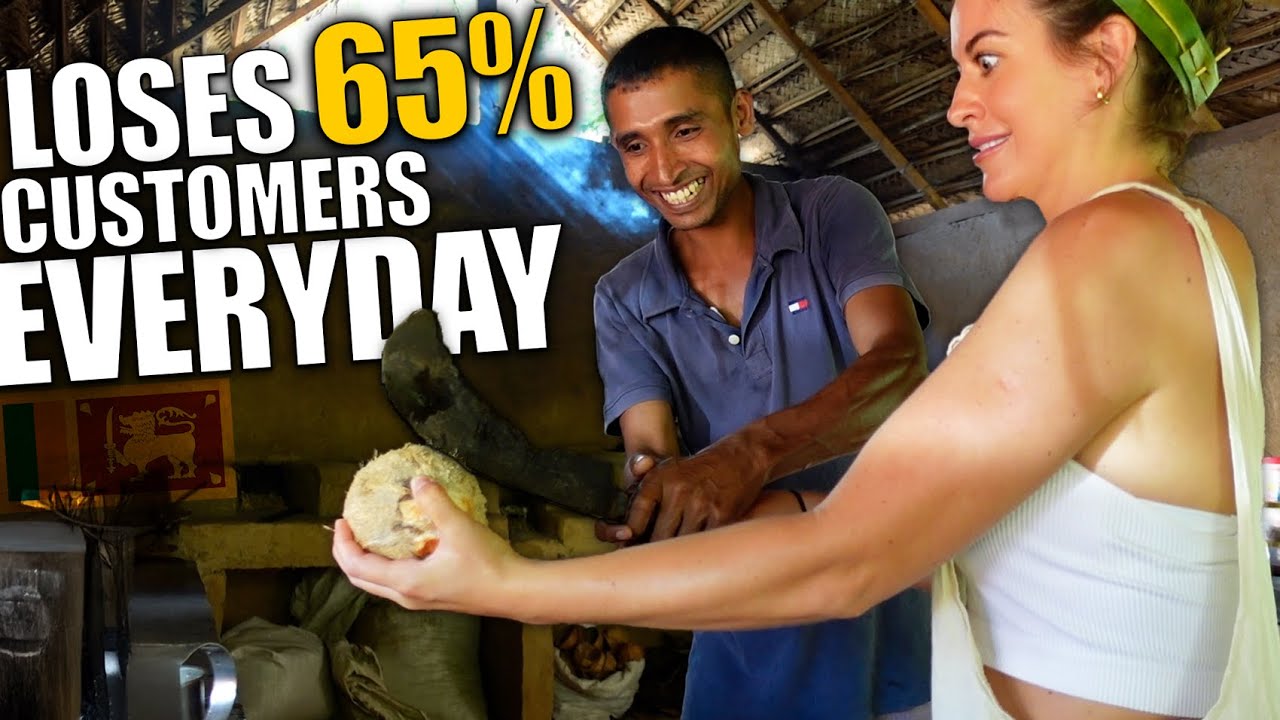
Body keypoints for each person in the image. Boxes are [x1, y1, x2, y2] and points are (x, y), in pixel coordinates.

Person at [334, 0, 1280, 718]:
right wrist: (674, 499)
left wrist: (507, 588)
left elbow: (848, 556)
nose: (956, 105)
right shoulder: (1195, 238)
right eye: (633, 145)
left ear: (1103, 59)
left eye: (987, 60)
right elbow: (962, 514)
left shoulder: (1103, 249)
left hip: (868, 623)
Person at [585, 26, 934, 720]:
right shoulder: (622, 297)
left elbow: (896, 365)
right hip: (747, 621)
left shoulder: (831, 213)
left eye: (685, 130)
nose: (662, 169)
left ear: (740, 116)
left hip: (889, 598)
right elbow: (650, 452)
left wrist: (747, 455)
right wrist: (649, 498)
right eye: (634, 144)